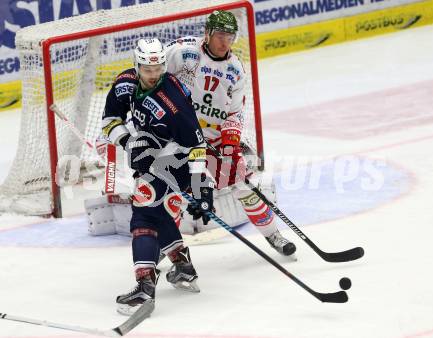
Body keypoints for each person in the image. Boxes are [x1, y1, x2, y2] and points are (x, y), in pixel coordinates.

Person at [165, 10, 296, 256]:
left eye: (230, 36)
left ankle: (272, 235)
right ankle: (166, 247)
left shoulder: (235, 69)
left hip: (213, 136)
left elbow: (235, 113)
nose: (225, 41)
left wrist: (229, 144)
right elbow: (150, 74)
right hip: (179, 134)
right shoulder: (183, 52)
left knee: (245, 185)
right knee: (170, 192)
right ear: (207, 33)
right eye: (220, 35)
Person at [101, 38, 214, 316]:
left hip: (178, 161)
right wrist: (128, 142)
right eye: (147, 69)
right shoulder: (125, 84)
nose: (153, 74)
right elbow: (110, 120)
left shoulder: (173, 101)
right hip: (151, 157)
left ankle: (145, 286)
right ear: (137, 65)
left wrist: (199, 187)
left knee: (143, 213)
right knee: (155, 210)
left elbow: (196, 147)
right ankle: (183, 266)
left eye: (158, 68)